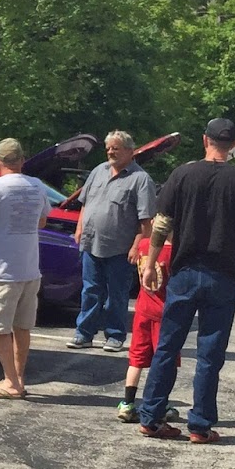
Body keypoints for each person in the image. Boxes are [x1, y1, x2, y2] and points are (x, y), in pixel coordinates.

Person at [136, 118, 235, 443]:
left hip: (183, 272)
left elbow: (162, 224)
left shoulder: (182, 174)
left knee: (167, 346)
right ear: (234, 145)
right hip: (222, 274)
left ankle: (151, 417)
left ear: (205, 140)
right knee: (210, 353)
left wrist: (150, 265)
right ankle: (200, 425)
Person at [0, 138, 52, 399]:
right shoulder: (37, 186)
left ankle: (11, 383)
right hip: (29, 268)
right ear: (22, 160)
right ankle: (18, 378)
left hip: (1, 270)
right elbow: (42, 221)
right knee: (22, 327)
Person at [68, 130, 156, 352]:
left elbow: (146, 220)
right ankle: (84, 334)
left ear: (129, 151)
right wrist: (80, 228)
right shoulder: (98, 171)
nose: (110, 152)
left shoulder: (141, 179)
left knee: (117, 294)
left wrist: (138, 246)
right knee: (90, 290)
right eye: (108, 148)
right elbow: (85, 204)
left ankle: (115, 336)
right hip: (91, 244)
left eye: (115, 148)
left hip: (120, 249)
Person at [116, 233, 181, 423]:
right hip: (165, 312)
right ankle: (161, 402)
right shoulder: (175, 252)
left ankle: (127, 403)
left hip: (143, 309)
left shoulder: (144, 245)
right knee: (165, 359)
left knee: (136, 358)